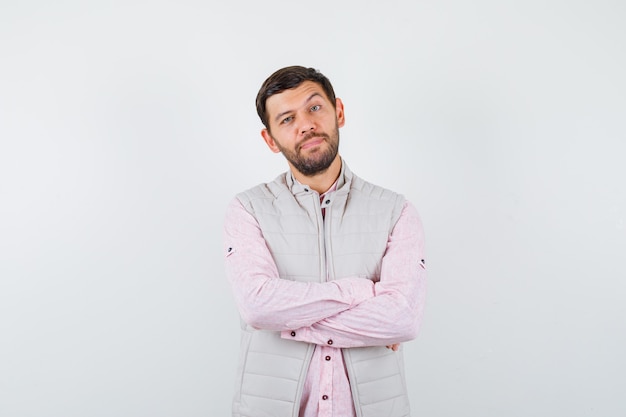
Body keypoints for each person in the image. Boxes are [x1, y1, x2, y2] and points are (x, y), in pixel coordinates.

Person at [223, 65, 427, 417]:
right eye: (287, 119)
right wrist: (361, 292)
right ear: (270, 140)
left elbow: (402, 319)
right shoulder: (247, 209)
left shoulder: (396, 211)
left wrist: (288, 320)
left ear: (339, 112)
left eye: (314, 108)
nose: (305, 124)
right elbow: (257, 306)